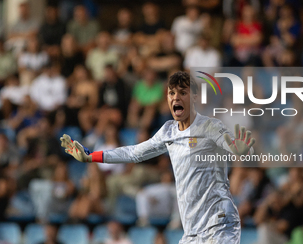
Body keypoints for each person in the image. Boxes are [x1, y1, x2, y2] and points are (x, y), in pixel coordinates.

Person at [61, 71, 255, 243]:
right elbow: (133, 153)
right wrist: (90, 156)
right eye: (172, 93)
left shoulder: (211, 127)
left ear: (194, 97)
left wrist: (241, 150)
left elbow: (235, 147)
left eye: (182, 92)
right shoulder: (168, 131)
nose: (176, 97)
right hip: (193, 231)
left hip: (219, 224)